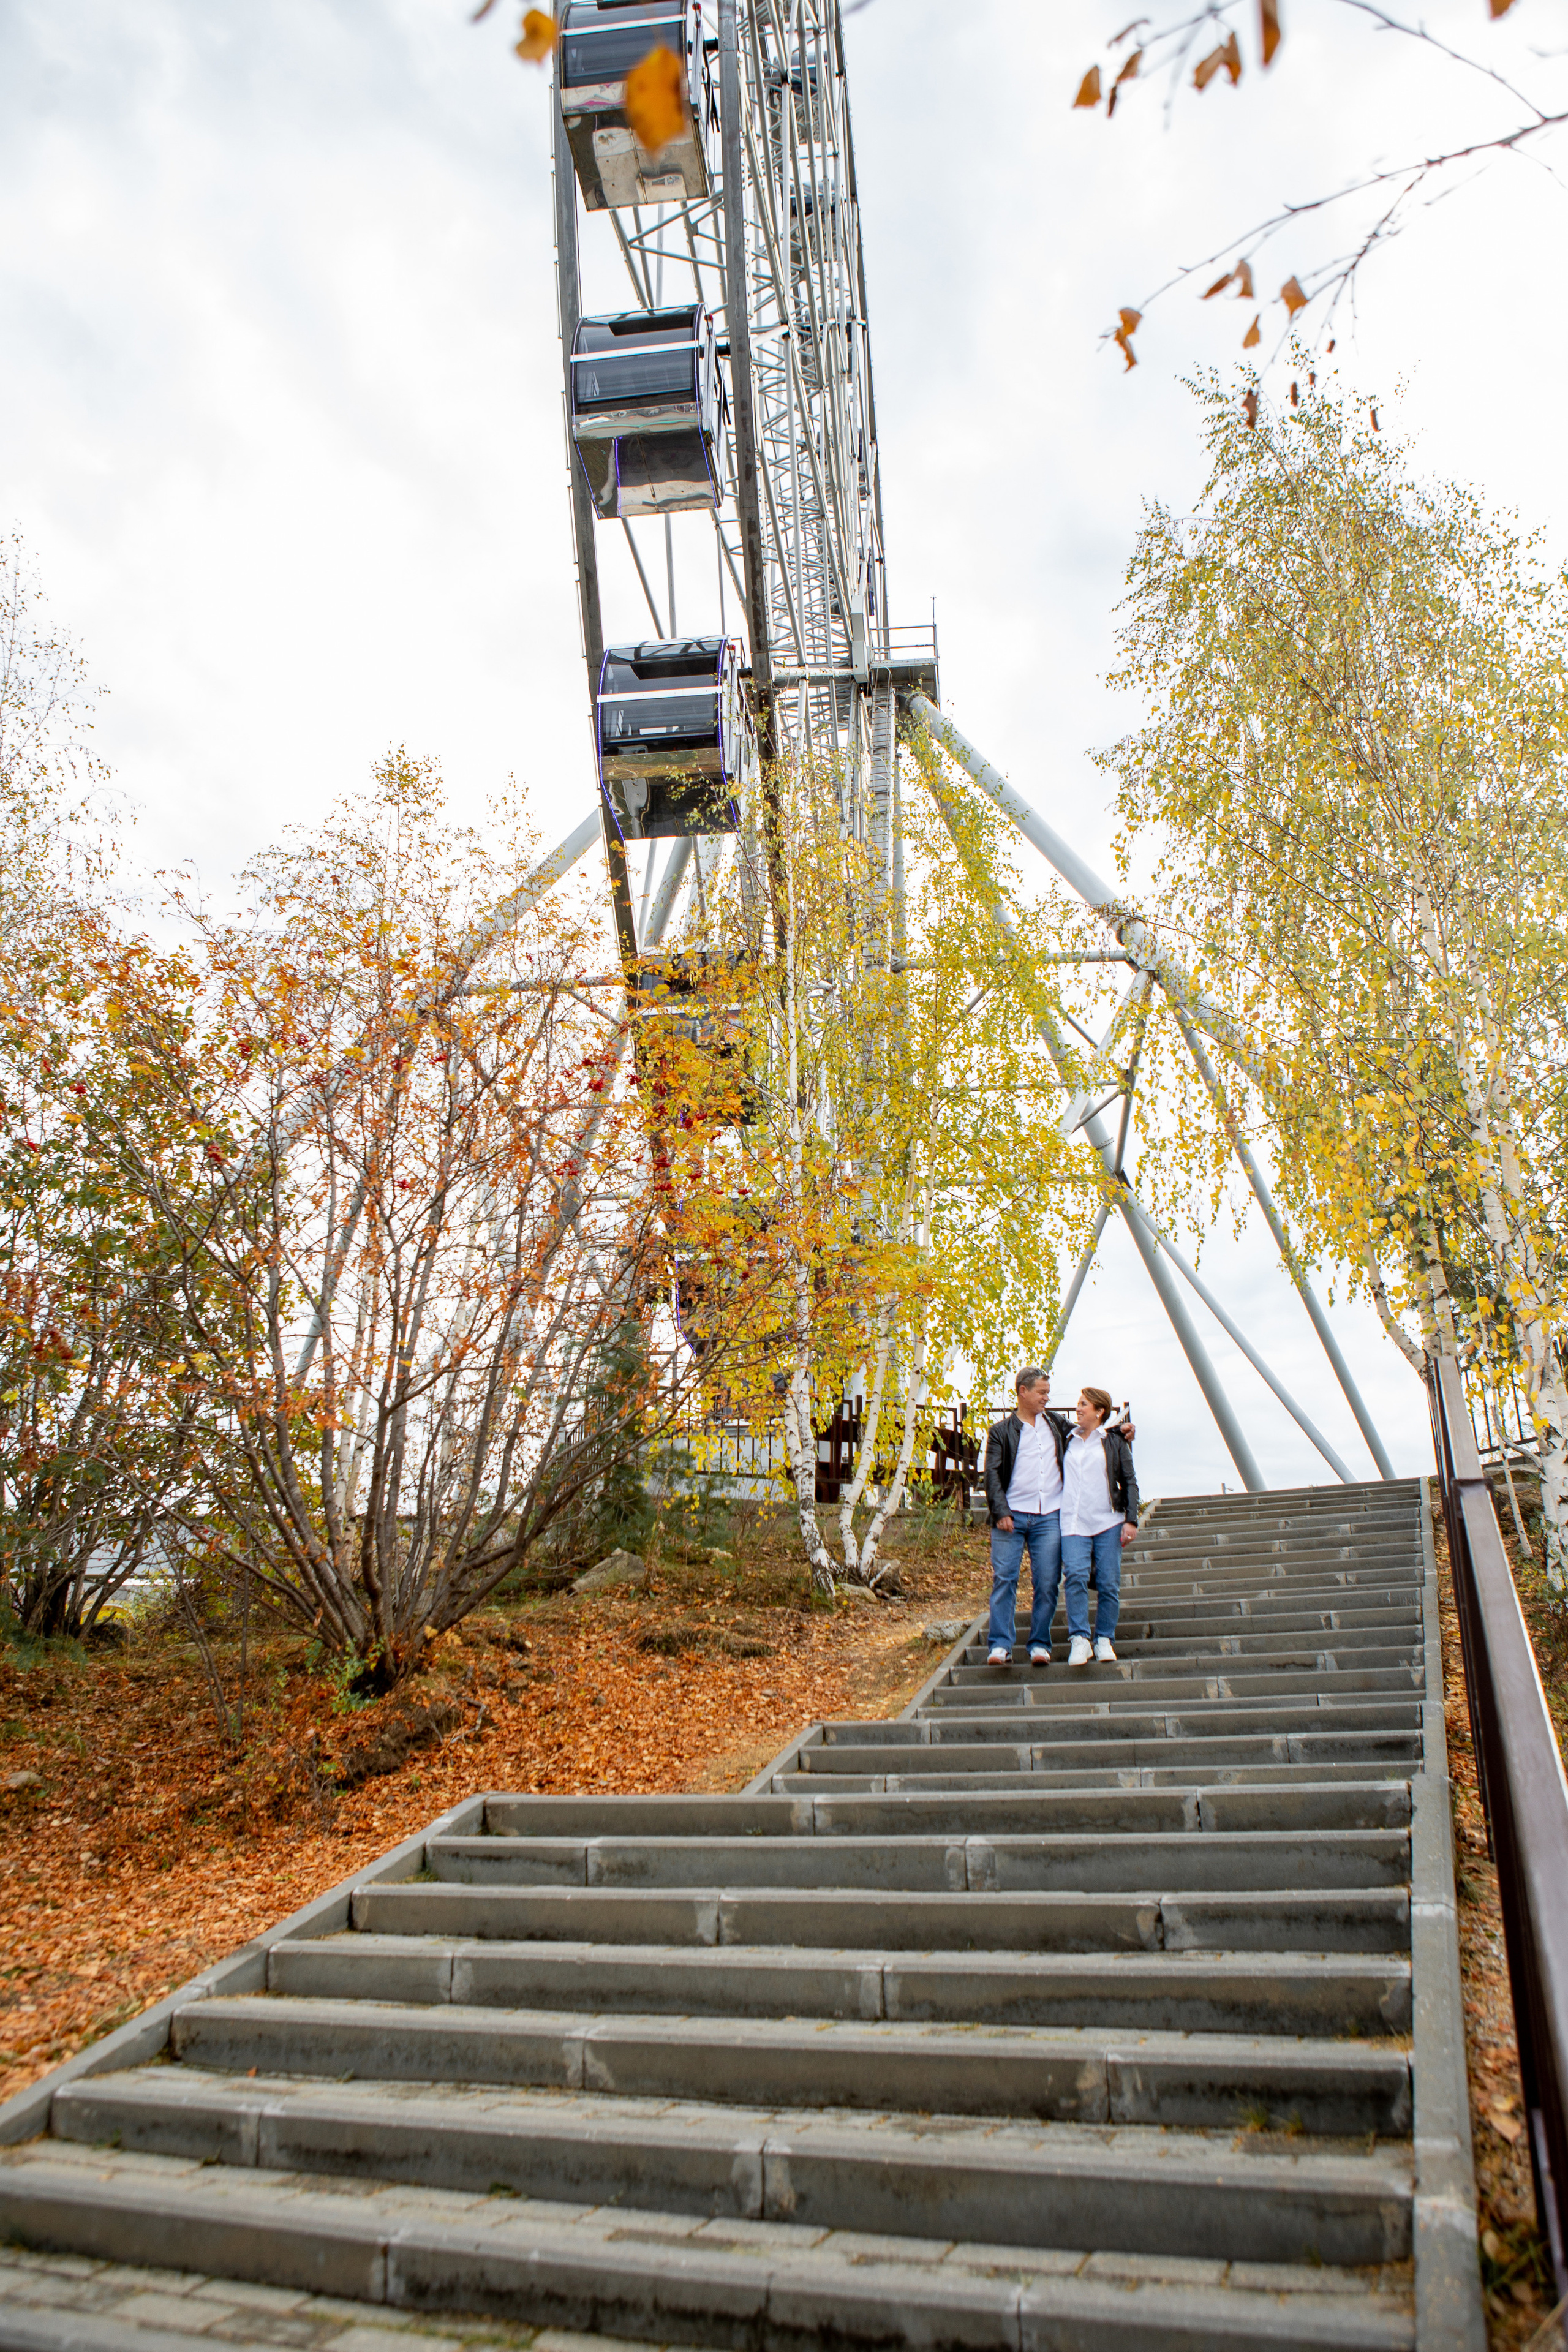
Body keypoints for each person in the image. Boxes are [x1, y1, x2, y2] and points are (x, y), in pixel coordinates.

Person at [981, 1367, 1071, 1667]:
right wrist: (1001, 1511)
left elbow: (1091, 1433)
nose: (1047, 1397)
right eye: (1042, 1392)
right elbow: (991, 1474)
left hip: (1050, 1518)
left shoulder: (1058, 1425)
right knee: (1004, 1579)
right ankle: (1000, 1646)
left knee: (1047, 1583)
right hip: (1011, 1517)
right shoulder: (1000, 1431)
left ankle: (1040, 1644)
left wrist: (1119, 1431)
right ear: (1023, 1391)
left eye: (1047, 1392)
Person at [1060, 1385, 1139, 1667]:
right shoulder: (1066, 1438)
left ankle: (1104, 1638)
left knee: (1108, 1582)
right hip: (1073, 1522)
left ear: (1099, 1411)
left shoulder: (1114, 1441)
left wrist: (1131, 1519)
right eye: (1078, 1403)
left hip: (1109, 1521)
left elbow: (1129, 1480)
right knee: (1076, 1577)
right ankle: (1080, 1639)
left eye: (1083, 1404)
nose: (1078, 1408)